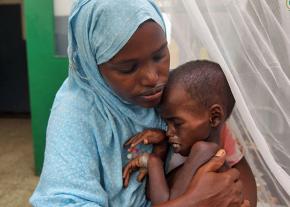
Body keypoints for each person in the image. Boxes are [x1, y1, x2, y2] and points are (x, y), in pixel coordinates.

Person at [30, 0, 246, 206]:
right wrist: (193, 203)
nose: (152, 78)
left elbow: (238, 171)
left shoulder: (183, 93)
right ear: (93, 66)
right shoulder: (76, 113)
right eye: (128, 68)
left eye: (160, 55)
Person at [123, 60, 257, 206]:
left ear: (214, 117)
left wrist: (153, 161)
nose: (168, 132)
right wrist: (160, 150)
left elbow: (162, 201)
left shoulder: (203, 151)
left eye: (177, 123)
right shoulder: (203, 155)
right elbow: (155, 193)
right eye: (167, 124)